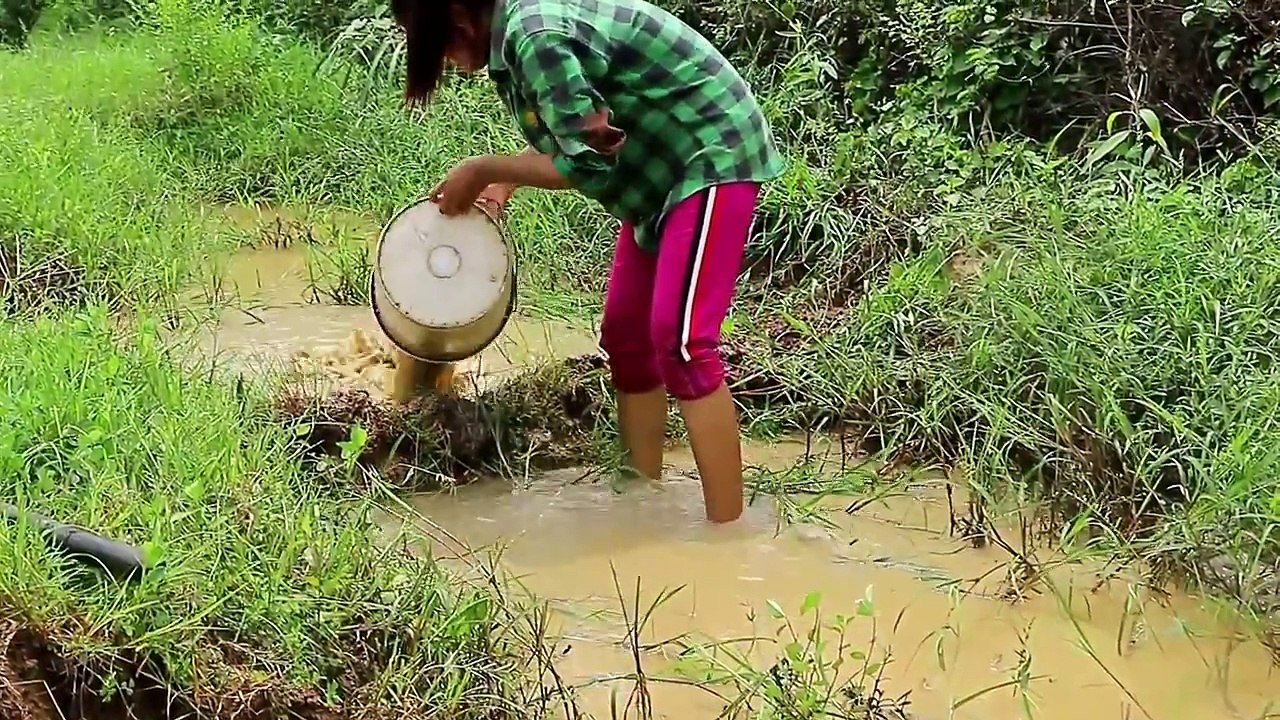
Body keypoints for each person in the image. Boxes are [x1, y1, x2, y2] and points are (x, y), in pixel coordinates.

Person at [391, 0, 785, 523]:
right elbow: (577, 133)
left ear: (458, 21)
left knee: (683, 344)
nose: (446, 62)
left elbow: (590, 163)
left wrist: (485, 169)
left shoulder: (535, 36)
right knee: (626, 336)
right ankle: (641, 497)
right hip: (656, 170)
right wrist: (504, 180)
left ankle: (728, 533)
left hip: (709, 152)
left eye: (436, 46)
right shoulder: (514, 40)